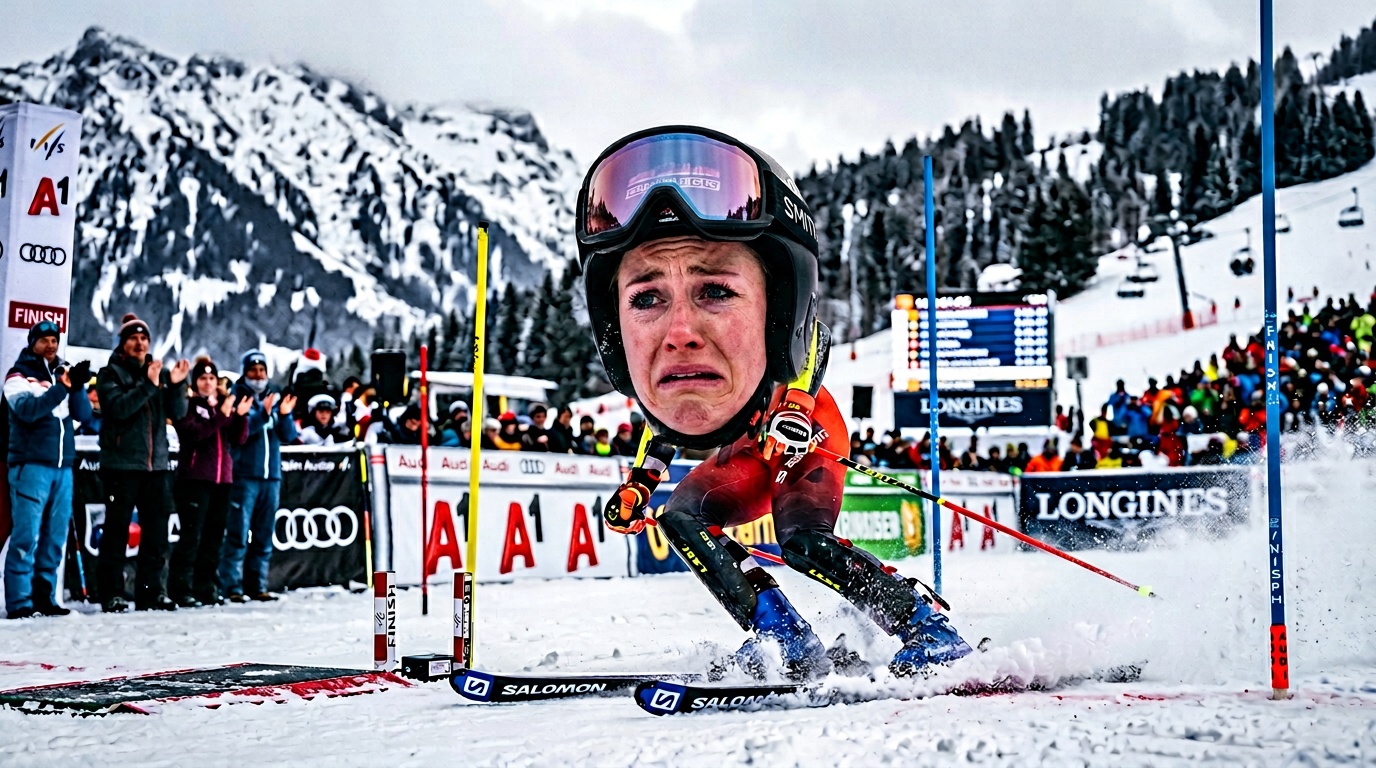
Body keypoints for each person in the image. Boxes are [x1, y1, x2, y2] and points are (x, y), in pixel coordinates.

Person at [578, 126, 969, 681]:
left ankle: (925, 626)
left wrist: (797, 407)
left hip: (807, 440)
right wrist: (641, 483)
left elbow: (818, 338)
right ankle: (781, 636)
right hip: (745, 454)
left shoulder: (778, 335)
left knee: (804, 543)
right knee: (682, 519)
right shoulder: (678, 371)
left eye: (715, 290)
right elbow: (666, 419)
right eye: (647, 298)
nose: (682, 332)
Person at [95, 314, 190, 612]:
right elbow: (118, 409)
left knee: (157, 534)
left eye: (144, 338)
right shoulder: (109, 373)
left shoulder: (157, 374)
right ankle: (112, 593)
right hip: (121, 467)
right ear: (122, 344)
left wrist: (175, 385)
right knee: (116, 532)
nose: (140, 343)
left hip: (156, 467)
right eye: (134, 338)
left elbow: (178, 413)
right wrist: (149, 385)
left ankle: (151, 593)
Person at [3, 322, 92, 618]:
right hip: (30, 465)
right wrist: (61, 390)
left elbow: (84, 415)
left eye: (54, 339)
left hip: (62, 467)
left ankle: (45, 597)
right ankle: (19, 603)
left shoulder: (61, 375)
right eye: (44, 340)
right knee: (26, 536)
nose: (51, 345)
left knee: (54, 538)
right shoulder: (18, 375)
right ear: (32, 343)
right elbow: (27, 411)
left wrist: (76, 387)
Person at [171, 357, 250, 607]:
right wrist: (221, 417)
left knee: (213, 538)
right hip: (194, 479)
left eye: (212, 379)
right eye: (203, 379)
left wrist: (239, 416)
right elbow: (193, 434)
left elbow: (238, 438)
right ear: (195, 382)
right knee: (191, 536)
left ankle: (207, 588)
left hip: (222, 480)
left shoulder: (220, 407)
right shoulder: (189, 405)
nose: (208, 383)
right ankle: (181, 588)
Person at [220, 350, 297, 603]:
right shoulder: (236, 397)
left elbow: (287, 436)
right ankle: (232, 586)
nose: (258, 375)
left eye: (262, 370)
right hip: (244, 476)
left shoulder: (273, 399)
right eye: (253, 370)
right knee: (238, 534)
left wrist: (284, 415)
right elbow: (239, 433)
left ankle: (258, 585)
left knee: (264, 536)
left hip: (271, 477)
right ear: (245, 372)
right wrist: (263, 413)